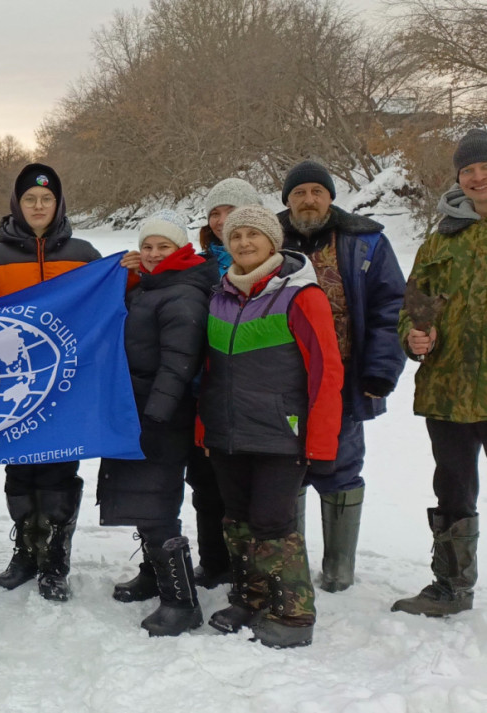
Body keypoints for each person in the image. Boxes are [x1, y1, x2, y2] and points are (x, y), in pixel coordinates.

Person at [198, 205, 343, 648]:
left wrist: (319, 439)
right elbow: (209, 369)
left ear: (272, 242)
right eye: (235, 236)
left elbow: (326, 371)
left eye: (252, 236)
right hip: (227, 431)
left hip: (282, 432)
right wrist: (206, 427)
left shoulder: (301, 296)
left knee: (272, 523)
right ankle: (251, 596)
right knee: (238, 520)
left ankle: (294, 614)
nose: (243, 243)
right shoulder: (220, 296)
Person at [0, 163, 100, 601]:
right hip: (12, 388)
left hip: (66, 386)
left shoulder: (84, 255)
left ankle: (55, 559)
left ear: (58, 204)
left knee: (59, 470)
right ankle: (27, 551)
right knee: (20, 470)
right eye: (29, 199)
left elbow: (108, 307)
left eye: (46, 199)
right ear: (16, 205)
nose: (38, 206)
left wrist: (134, 271)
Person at [278, 160, 406, 592]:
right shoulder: (267, 238)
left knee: (341, 465)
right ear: (287, 201)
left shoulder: (364, 241)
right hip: (280, 380)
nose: (308, 200)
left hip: (343, 379)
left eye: (316, 191)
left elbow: (392, 308)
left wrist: (381, 370)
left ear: (330, 196)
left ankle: (338, 569)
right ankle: (289, 561)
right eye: (299, 193)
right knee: (283, 467)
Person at [101, 210, 215, 636]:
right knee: (145, 497)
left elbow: (179, 363)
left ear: (181, 249)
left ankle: (181, 600)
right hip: (138, 406)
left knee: (158, 502)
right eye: (147, 246)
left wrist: (155, 413)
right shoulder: (153, 286)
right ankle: (153, 574)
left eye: (162, 247)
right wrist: (129, 278)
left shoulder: (183, 293)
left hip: (161, 414)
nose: (152, 254)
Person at [392, 129, 487, 617]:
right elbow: (413, 307)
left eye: (484, 167)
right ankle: (451, 585)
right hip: (449, 390)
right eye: (468, 169)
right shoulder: (439, 241)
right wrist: (414, 335)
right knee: (451, 486)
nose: (477, 176)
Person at [186, 177, 265, 588]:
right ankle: (213, 561)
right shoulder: (196, 265)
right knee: (204, 483)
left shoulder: (274, 265)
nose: (220, 221)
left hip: (254, 393)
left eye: (230, 212)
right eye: (214, 214)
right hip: (203, 390)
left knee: (250, 491)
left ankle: (251, 572)